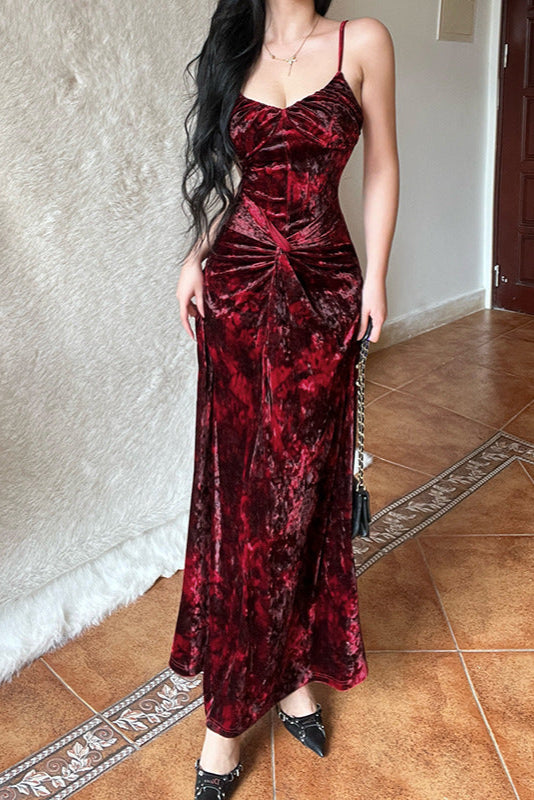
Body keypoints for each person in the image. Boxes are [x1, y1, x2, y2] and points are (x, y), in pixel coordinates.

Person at [170, 1, 399, 797]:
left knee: (302, 498)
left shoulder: (362, 41)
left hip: (325, 292)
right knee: (244, 504)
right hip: (236, 290)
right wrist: (197, 254)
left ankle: (291, 673)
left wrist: (376, 278)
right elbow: (233, 177)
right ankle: (228, 720)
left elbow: (382, 163)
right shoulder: (235, 43)